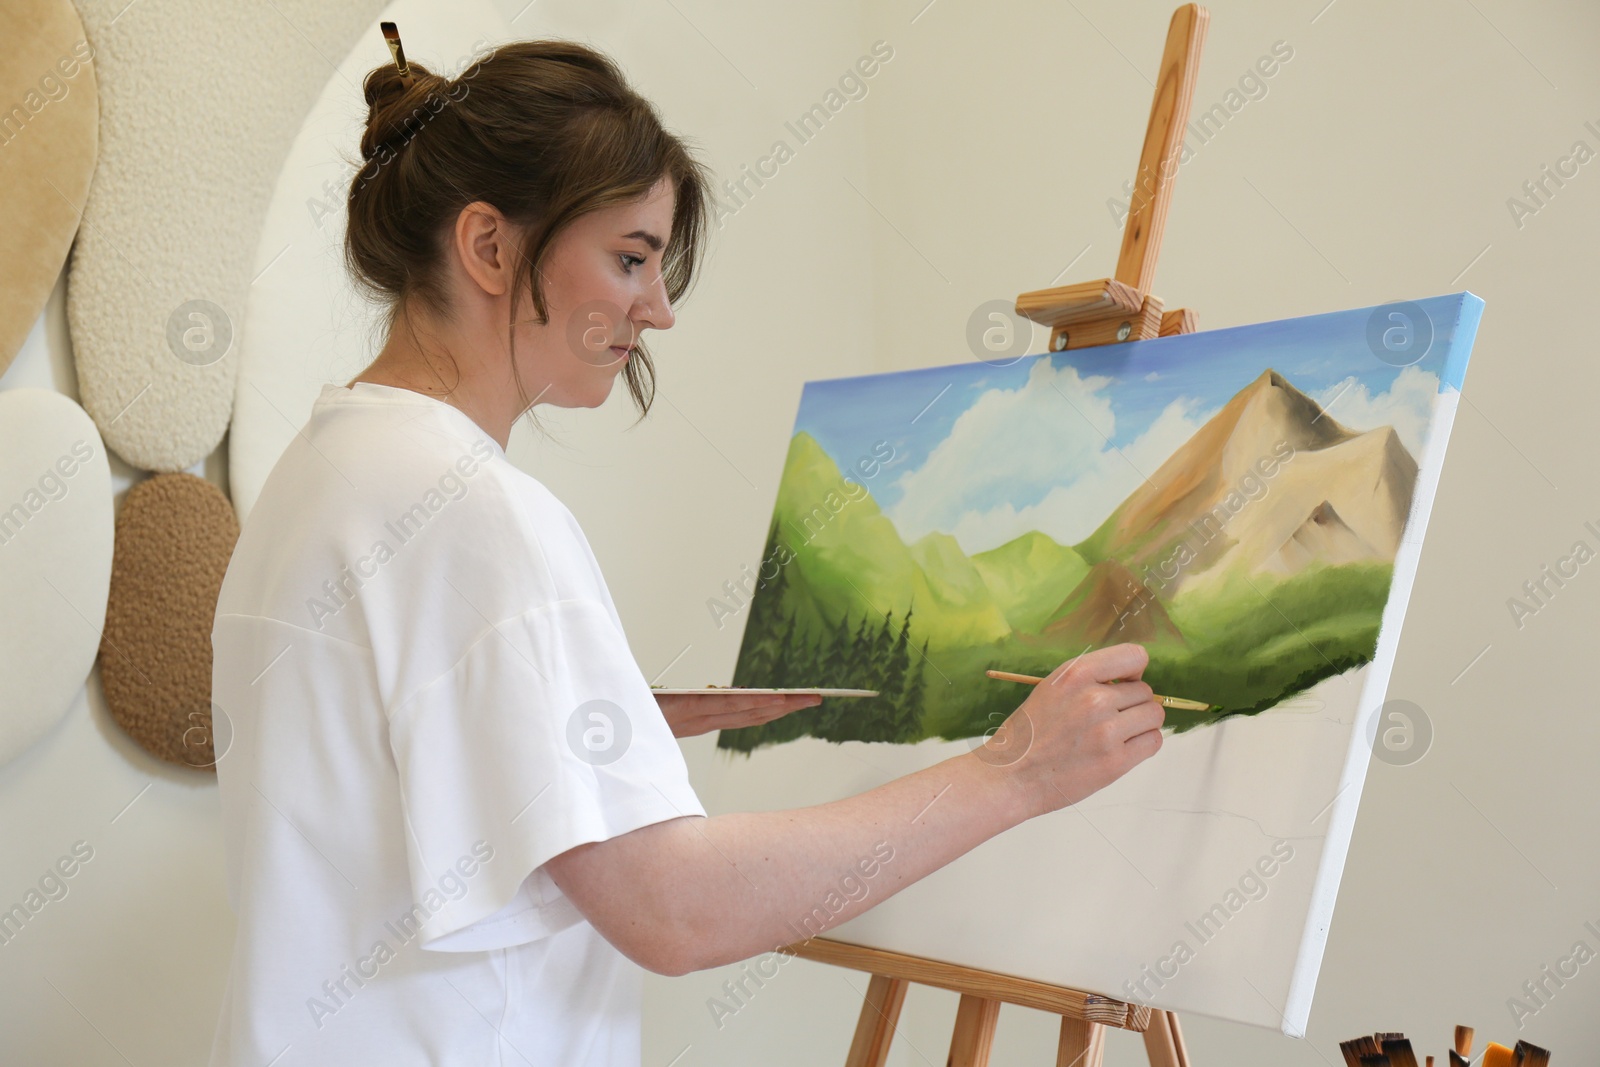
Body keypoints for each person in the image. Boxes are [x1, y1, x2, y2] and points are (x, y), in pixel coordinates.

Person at [206, 34, 1165, 1067]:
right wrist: (1012, 771)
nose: (656, 309)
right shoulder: (476, 515)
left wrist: (593, 729)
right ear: (487, 247)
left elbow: (377, 768)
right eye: (629, 257)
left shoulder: (320, 476)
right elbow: (674, 907)